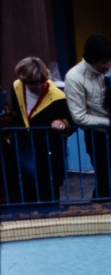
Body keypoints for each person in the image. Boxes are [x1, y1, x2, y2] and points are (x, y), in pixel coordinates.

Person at [65, 34, 111, 199]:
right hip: (96, 134)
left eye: (109, 61)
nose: (108, 66)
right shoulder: (74, 77)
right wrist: (109, 121)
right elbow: (78, 117)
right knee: (104, 177)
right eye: (103, 62)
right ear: (90, 59)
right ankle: (101, 210)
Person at [7, 56, 72, 203]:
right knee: (26, 192)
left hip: (49, 152)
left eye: (42, 81)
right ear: (23, 80)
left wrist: (62, 122)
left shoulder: (58, 96)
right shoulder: (17, 87)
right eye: (32, 83)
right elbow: (17, 113)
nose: (38, 86)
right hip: (25, 148)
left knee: (49, 194)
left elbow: (70, 121)